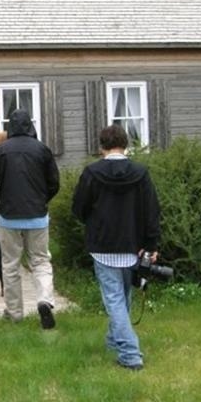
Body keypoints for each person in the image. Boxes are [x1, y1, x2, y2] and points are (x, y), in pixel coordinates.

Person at [71, 124, 161, 371]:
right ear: (126, 143)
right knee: (123, 297)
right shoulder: (140, 172)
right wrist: (151, 243)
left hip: (103, 244)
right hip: (134, 245)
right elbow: (151, 211)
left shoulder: (91, 173)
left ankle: (130, 354)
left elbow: (79, 207)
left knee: (115, 300)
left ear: (102, 146)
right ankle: (114, 341)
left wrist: (92, 222)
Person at [0, 109, 60, 329]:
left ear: (10, 127)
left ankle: (15, 313)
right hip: (37, 216)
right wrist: (42, 200)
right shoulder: (42, 150)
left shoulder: (0, 150)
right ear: (30, 125)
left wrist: (1, 199)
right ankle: (44, 300)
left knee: (10, 265)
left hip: (9, 217)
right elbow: (54, 183)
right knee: (41, 261)